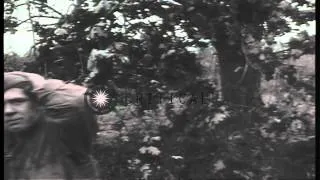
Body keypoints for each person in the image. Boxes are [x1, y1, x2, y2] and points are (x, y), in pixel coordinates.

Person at [4, 72, 100, 179]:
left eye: (18, 101)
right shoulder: (9, 137)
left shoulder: (62, 127)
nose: (8, 111)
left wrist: (41, 87)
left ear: (37, 103)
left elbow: (79, 101)